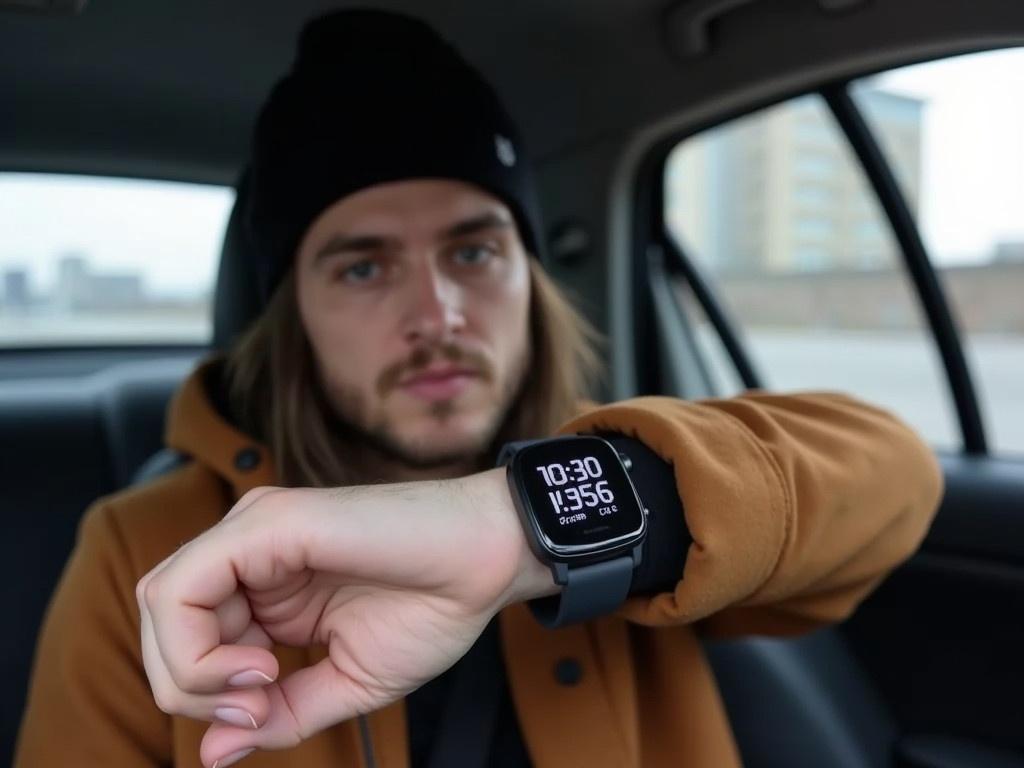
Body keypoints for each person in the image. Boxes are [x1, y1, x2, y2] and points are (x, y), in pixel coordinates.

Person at [16, 9, 943, 768]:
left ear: (531, 283)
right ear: (290, 320)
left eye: (473, 250)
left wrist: (522, 527)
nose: (441, 312)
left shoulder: (655, 496)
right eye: (363, 269)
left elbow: (894, 478)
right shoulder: (149, 550)